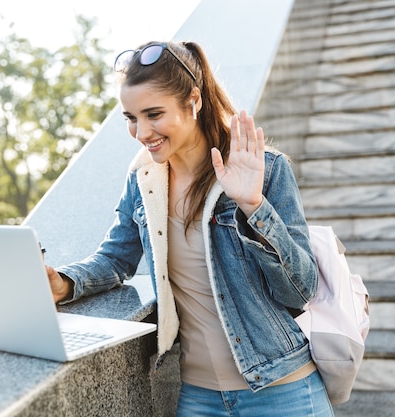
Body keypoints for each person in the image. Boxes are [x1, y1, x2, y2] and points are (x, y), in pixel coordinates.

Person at [46, 40, 334, 416]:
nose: (141, 131)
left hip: (282, 390)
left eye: (153, 114)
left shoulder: (265, 169)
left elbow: (301, 289)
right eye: (131, 118)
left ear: (193, 101)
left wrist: (253, 205)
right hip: (199, 397)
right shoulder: (143, 180)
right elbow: (115, 258)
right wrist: (64, 282)